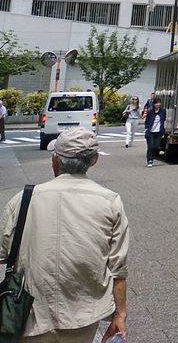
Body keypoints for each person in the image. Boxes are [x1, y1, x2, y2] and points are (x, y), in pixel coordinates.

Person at [0, 128, 129, 342]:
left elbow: (3, 251)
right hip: (82, 317)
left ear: (55, 160)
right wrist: (120, 314)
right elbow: (118, 269)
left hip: (30, 315)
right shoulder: (110, 201)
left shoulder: (23, 199)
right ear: (94, 160)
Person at [144, 94, 165, 168]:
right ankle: (150, 160)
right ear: (153, 104)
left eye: (159, 103)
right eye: (156, 103)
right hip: (150, 132)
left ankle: (151, 157)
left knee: (156, 146)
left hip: (158, 132)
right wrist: (147, 129)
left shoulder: (163, 111)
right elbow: (146, 121)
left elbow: (163, 120)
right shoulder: (150, 112)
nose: (157, 104)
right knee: (150, 146)